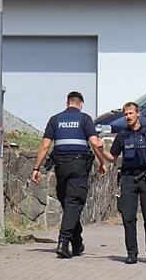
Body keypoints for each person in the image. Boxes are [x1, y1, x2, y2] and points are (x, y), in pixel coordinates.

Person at [31, 91, 106, 258]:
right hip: (78, 165)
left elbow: (44, 146)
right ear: (81, 104)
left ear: (67, 102)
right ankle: (63, 242)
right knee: (74, 201)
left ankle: (77, 242)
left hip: (60, 166)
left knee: (68, 202)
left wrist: (36, 169)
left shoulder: (55, 119)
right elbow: (94, 142)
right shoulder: (85, 119)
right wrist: (102, 162)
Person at [102, 101, 146, 265]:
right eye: (125, 114)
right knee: (128, 217)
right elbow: (112, 158)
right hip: (128, 179)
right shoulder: (122, 136)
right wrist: (100, 150)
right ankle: (132, 253)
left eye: (130, 113)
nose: (128, 117)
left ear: (138, 114)